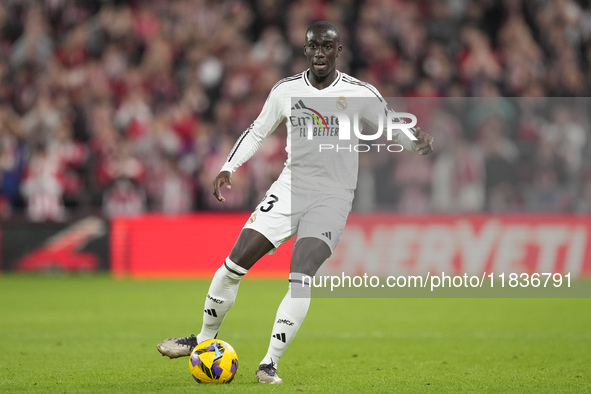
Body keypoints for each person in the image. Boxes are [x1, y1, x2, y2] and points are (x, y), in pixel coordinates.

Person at [156, 21, 434, 384]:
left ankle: (269, 364)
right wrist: (228, 167)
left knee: (300, 274)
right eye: (313, 45)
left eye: (327, 46)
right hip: (290, 187)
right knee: (233, 265)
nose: (320, 52)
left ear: (338, 51)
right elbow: (257, 130)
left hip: (333, 196)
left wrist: (416, 142)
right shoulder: (285, 91)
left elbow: (391, 125)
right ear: (305, 50)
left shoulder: (359, 92)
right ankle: (203, 339)